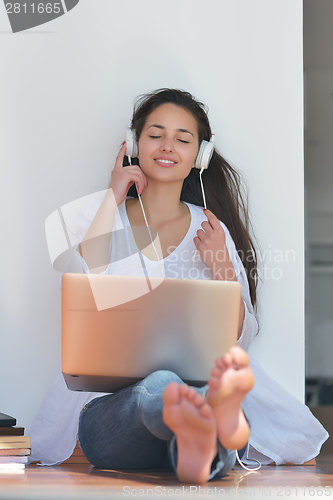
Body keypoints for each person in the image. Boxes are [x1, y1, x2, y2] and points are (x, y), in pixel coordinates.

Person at [28, 88, 328, 476]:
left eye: (182, 139)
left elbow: (240, 338)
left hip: (184, 430)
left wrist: (221, 266)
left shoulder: (210, 232)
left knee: (192, 408)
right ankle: (203, 418)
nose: (167, 146)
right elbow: (81, 304)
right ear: (134, 143)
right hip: (116, 420)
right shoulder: (106, 219)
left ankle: (199, 441)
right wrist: (113, 195)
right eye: (155, 134)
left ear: (199, 155)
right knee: (164, 387)